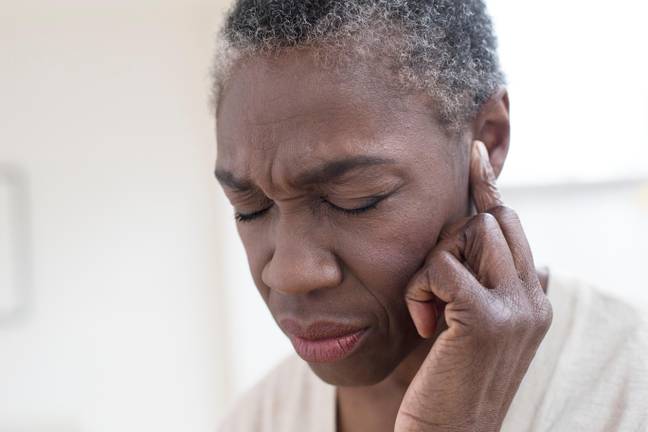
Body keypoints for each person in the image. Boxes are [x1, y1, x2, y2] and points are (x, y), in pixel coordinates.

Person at [212, 1, 648, 431]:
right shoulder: (258, 419)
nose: (288, 274)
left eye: (356, 199)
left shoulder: (628, 393)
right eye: (249, 208)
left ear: (488, 140)